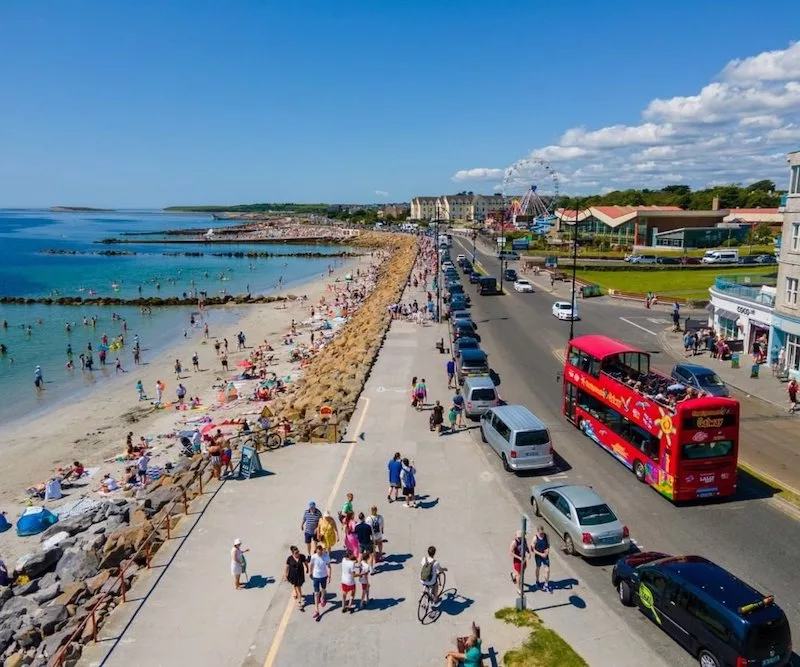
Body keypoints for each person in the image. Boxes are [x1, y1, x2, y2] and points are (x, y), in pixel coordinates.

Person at [309, 544, 331, 621]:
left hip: (324, 576)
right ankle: (316, 610)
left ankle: (322, 598)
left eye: (320, 552)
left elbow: (328, 566)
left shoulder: (326, 556)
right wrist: (310, 572)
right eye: (318, 552)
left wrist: (329, 576)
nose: (319, 554)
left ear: (322, 550)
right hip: (316, 576)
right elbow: (311, 564)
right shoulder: (314, 557)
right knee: (316, 593)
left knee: (323, 589)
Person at [284, 546, 308, 611]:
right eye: (296, 552)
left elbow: (305, 563)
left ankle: (299, 602)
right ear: (293, 553)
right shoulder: (289, 558)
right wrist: (286, 575)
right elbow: (287, 567)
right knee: (295, 585)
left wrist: (307, 568)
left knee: (298, 587)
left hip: (300, 575)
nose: (298, 553)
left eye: (298, 552)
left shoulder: (302, 556)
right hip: (292, 575)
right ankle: (298, 597)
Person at [532, 525, 551, 592]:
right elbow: (533, 549)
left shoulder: (546, 536)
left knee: (547, 570)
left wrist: (547, 550)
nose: (542, 534)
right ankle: (537, 581)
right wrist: (540, 554)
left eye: (542, 532)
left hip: (545, 555)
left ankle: (546, 584)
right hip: (538, 555)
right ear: (538, 532)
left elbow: (548, 544)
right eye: (540, 533)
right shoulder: (535, 538)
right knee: (538, 567)